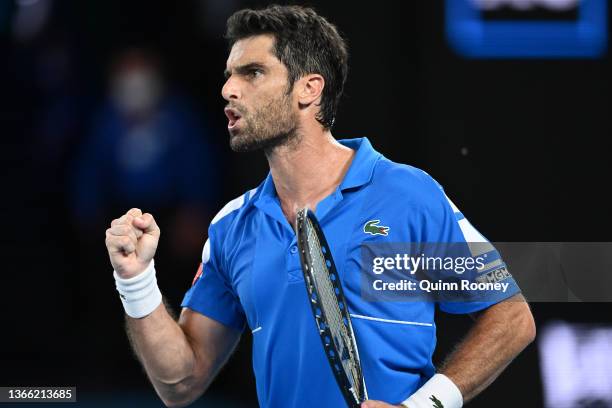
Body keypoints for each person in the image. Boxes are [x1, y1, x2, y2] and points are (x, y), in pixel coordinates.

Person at [105, 5, 535, 408]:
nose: (228, 89)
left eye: (252, 72)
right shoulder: (231, 228)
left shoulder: (409, 196)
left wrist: (427, 404)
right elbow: (179, 384)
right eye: (229, 74)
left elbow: (511, 316)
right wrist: (136, 280)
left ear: (309, 89)